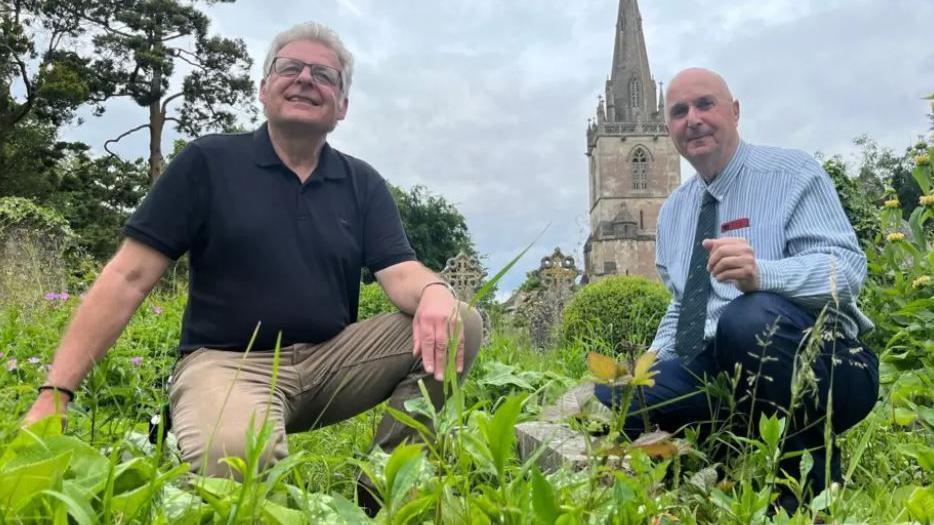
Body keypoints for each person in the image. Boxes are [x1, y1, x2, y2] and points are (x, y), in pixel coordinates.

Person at [23, 21, 482, 509]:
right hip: (228, 363)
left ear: (342, 106)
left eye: (325, 75)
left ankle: (382, 485)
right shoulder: (208, 163)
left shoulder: (361, 183)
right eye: (290, 68)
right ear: (264, 89)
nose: (306, 79)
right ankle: (198, 426)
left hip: (331, 363)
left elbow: (400, 270)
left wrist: (436, 292)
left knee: (460, 322)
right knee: (236, 460)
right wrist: (56, 390)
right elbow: (128, 277)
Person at [594, 68, 878, 511]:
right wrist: (647, 368)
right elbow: (682, 309)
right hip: (725, 374)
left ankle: (806, 496)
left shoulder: (792, 173)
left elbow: (846, 271)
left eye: (706, 104)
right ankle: (729, 455)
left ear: (736, 111)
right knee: (616, 393)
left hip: (829, 363)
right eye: (679, 111)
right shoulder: (674, 212)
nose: (693, 119)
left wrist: (762, 274)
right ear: (667, 127)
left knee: (746, 320)